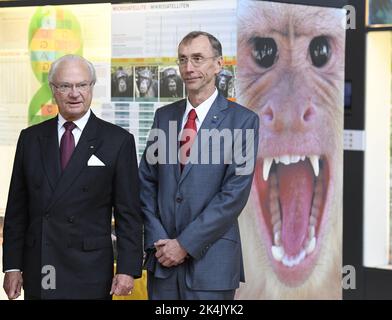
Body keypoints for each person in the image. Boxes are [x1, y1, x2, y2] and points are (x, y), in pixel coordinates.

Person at [2, 54, 143, 300]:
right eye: (65, 86)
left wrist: (127, 268)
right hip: (42, 265)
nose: (74, 93)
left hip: (89, 268)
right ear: (53, 90)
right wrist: (12, 266)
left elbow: (128, 213)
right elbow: (17, 209)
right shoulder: (31, 139)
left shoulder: (117, 141)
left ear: (91, 87)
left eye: (82, 85)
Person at [139, 31, 259, 300]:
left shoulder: (243, 121)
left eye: (197, 58)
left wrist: (184, 244)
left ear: (218, 64)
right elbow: (146, 182)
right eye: (182, 60)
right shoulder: (164, 117)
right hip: (162, 263)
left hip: (212, 265)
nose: (188, 68)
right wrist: (160, 240)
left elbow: (233, 195)